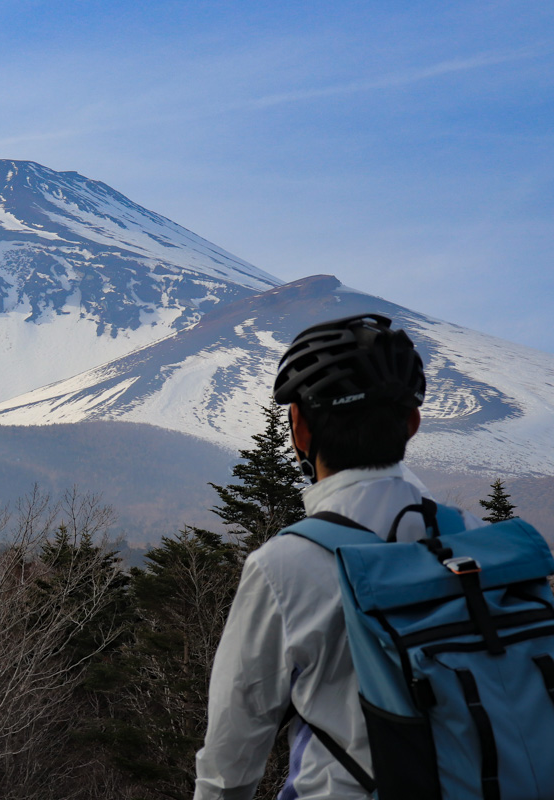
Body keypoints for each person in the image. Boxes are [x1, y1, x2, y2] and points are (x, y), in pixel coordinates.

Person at [192, 313, 476, 800]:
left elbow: (233, 750)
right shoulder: (474, 538)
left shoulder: (285, 564)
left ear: (299, 428)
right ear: (412, 423)